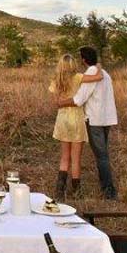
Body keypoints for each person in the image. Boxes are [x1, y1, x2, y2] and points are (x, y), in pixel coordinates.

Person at [58, 46, 119, 200]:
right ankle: (106, 187)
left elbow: (79, 100)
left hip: (95, 120)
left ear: (83, 59)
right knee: (103, 154)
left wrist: (61, 103)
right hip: (107, 118)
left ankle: (108, 191)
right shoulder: (104, 73)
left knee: (101, 156)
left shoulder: (90, 73)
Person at [48, 54, 102, 200]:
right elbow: (98, 77)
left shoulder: (56, 80)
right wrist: (97, 65)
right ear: (73, 65)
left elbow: (56, 102)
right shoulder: (78, 77)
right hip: (77, 118)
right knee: (76, 158)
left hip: (63, 119)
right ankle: (77, 191)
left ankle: (60, 191)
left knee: (64, 157)